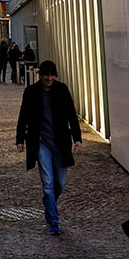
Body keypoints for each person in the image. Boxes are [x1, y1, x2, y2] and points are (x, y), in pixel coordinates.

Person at [15, 59, 83, 235]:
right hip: (41, 143)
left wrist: (77, 139)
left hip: (60, 143)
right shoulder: (31, 92)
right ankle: (54, 220)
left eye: (52, 75)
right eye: (47, 75)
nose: (49, 78)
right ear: (41, 75)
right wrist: (20, 139)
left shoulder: (62, 90)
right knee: (47, 182)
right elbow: (23, 115)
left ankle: (48, 201)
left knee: (60, 183)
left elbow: (71, 115)